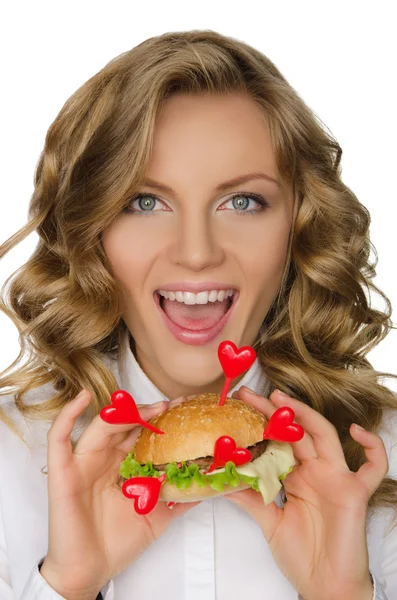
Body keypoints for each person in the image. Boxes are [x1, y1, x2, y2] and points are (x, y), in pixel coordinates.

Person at [0, 29, 396, 600]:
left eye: (242, 202)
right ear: (92, 233)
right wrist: (67, 587)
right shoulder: (10, 454)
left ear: (299, 227)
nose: (195, 251)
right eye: (144, 202)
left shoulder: (383, 454)